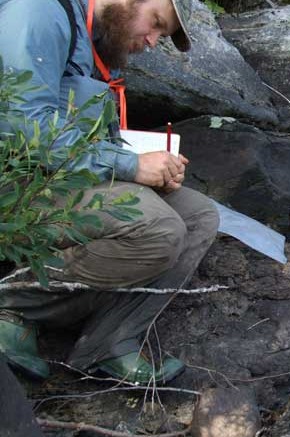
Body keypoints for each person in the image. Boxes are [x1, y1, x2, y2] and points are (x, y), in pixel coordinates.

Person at [0, 0, 219, 384]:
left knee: (199, 216)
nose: (152, 41)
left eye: (161, 36)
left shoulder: (102, 44)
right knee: (158, 228)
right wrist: (132, 167)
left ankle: (109, 342)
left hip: (59, 180)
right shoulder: (38, 12)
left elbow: (93, 138)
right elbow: (24, 131)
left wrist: (152, 169)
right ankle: (13, 305)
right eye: (155, 24)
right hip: (15, 186)